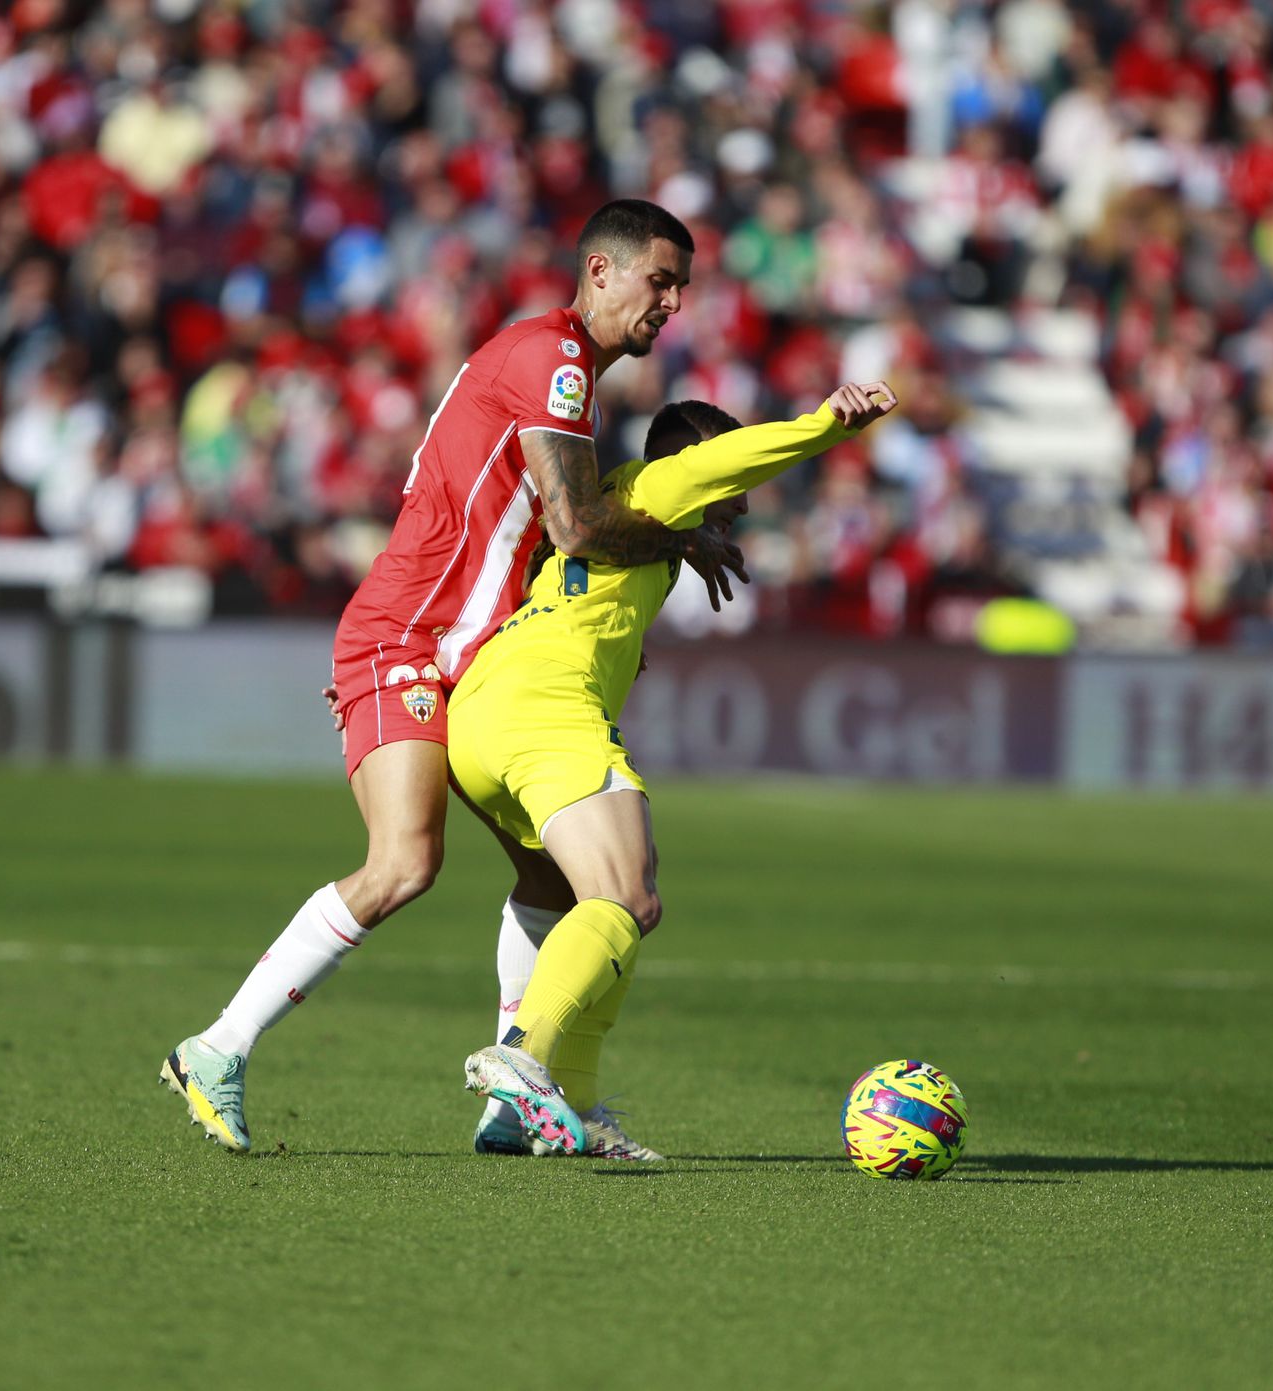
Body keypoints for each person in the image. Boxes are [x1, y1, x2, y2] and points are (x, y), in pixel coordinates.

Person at [159, 200, 744, 1152]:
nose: (672, 302)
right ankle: (216, 1048)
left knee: (554, 874)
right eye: (660, 280)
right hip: (410, 634)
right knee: (406, 862)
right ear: (600, 272)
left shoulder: (567, 373)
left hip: (459, 650)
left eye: (681, 286)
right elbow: (576, 525)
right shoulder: (554, 361)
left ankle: (515, 1094)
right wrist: (681, 533)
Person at [452, 381, 899, 1157]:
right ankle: (523, 1055)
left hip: (484, 715)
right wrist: (828, 424)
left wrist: (688, 543)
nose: (745, 505)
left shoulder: (625, 505)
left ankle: (575, 1109)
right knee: (625, 893)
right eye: (731, 487)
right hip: (544, 708)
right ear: (698, 464)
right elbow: (744, 455)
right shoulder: (665, 480)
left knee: (618, 898)